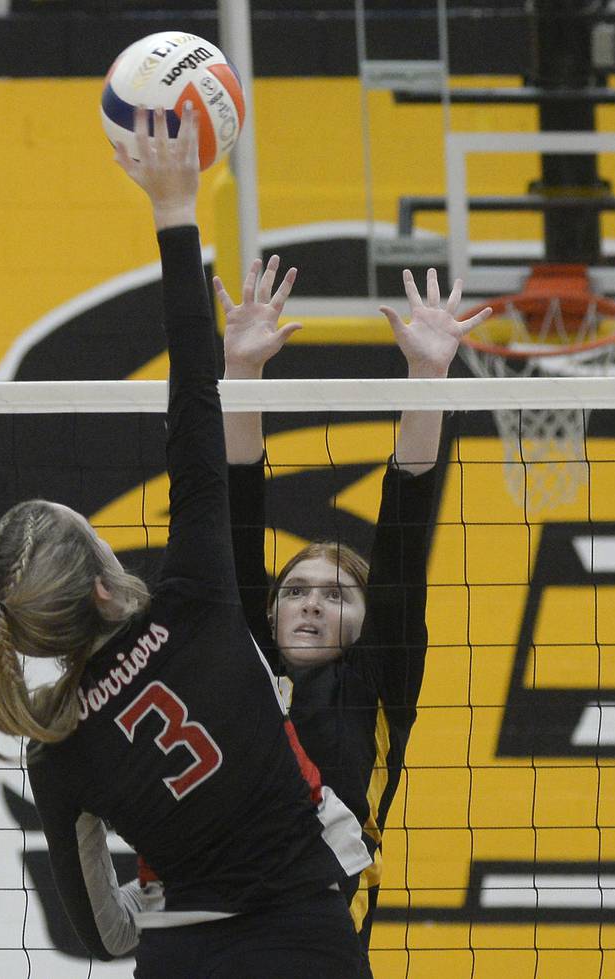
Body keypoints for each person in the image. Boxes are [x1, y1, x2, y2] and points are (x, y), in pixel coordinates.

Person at [0, 103, 371, 979]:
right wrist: (175, 208)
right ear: (104, 587)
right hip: (306, 939)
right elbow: (192, 402)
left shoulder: (57, 750)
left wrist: (166, 903)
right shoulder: (194, 602)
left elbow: (102, 935)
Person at [215, 256, 491, 971]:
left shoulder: (376, 677)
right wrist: (240, 373)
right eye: (296, 589)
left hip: (321, 934)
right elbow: (239, 509)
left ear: (366, 621)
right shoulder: (253, 662)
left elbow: (405, 521)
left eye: (336, 594)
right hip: (222, 926)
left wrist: (427, 377)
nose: (309, 600)